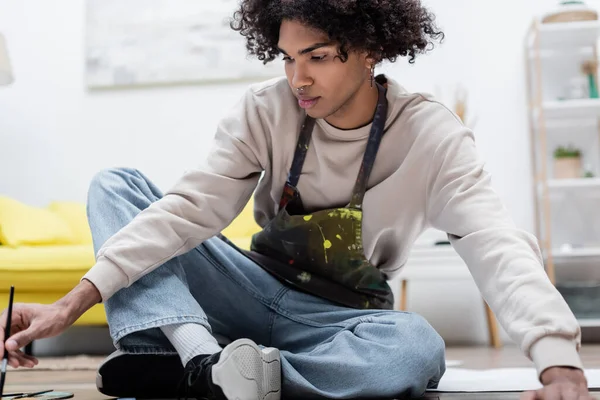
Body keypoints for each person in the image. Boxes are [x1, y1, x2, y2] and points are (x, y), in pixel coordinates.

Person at [0, 0, 592, 399]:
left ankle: (216, 379)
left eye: (318, 56)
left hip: (340, 319)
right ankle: (205, 359)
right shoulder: (265, 111)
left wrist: (557, 358)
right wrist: (68, 305)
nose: (297, 78)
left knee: (415, 348)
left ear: (371, 50)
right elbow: (189, 210)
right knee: (115, 184)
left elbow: (496, 244)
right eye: (287, 56)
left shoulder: (432, 136)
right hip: (249, 286)